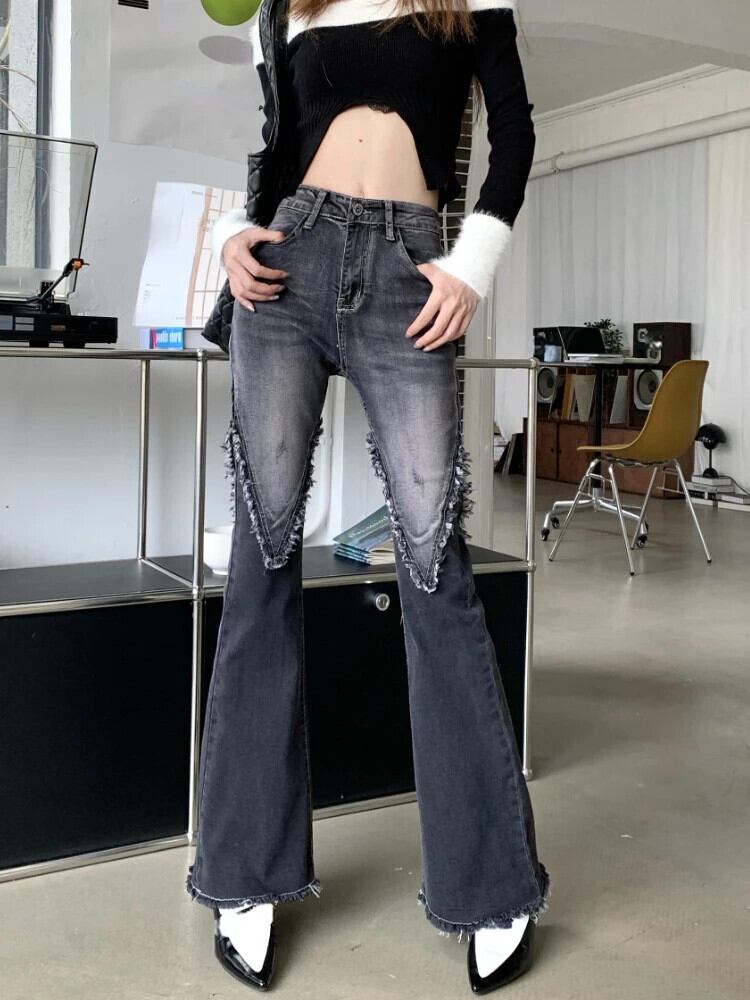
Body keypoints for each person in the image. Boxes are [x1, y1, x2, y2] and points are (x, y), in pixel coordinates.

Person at [186, 0, 550, 992]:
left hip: (410, 272)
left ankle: (493, 884)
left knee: (436, 571)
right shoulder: (287, 8)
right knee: (262, 562)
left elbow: (516, 132)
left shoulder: (467, 2)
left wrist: (471, 267)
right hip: (285, 270)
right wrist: (238, 234)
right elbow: (276, 150)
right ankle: (244, 871)